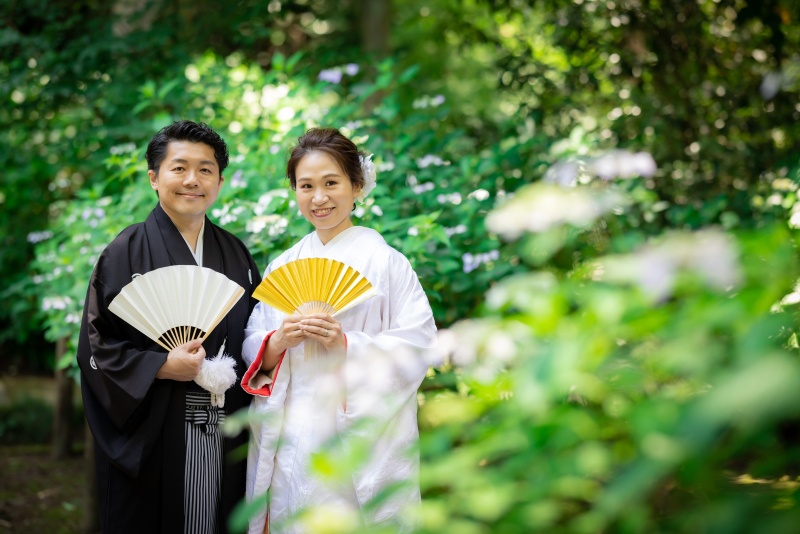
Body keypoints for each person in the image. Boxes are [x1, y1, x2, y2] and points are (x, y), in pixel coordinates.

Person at [241, 128, 437, 533]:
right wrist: (277, 342)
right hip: (292, 429)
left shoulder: (387, 263)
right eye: (306, 185)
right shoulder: (284, 265)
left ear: (357, 185)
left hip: (356, 428)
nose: (319, 197)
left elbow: (419, 345)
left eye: (331, 183)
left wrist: (346, 343)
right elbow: (252, 340)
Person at [77, 120, 262, 534]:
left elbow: (253, 336)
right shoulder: (124, 252)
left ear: (219, 180)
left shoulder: (235, 253)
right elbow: (95, 346)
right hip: (155, 432)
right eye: (178, 168)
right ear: (154, 178)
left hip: (224, 424)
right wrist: (159, 366)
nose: (192, 180)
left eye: (205, 169)